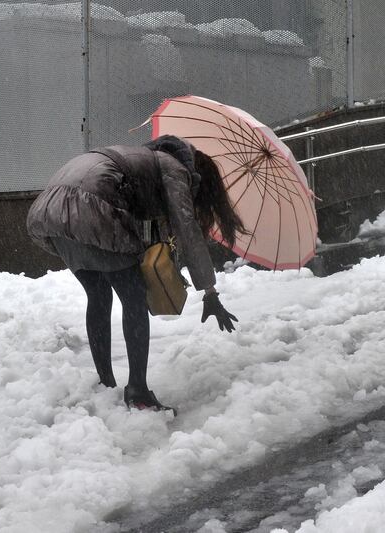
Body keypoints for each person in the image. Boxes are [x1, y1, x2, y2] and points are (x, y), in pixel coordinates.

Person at [26, 135, 244, 415]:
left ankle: (106, 385)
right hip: (90, 208)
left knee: (98, 296)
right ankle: (138, 392)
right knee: (134, 298)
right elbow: (187, 229)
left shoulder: (142, 159)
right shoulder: (174, 168)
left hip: (51, 211)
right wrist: (209, 291)